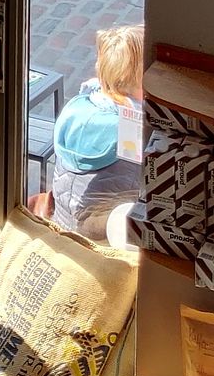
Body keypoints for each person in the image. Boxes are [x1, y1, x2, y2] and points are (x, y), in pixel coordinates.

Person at [51, 24, 144, 239]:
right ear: (139, 79)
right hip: (102, 237)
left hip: (62, 223)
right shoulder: (131, 128)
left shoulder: (80, 106)